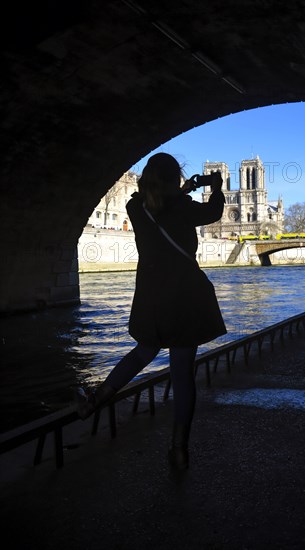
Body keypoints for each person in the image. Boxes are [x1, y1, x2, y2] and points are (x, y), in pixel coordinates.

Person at [75, 153, 227, 470]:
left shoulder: (135, 207)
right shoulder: (184, 208)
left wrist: (184, 189)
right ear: (175, 178)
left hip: (151, 296)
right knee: (183, 375)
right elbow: (213, 212)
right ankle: (179, 449)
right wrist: (215, 187)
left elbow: (157, 200)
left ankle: (96, 401)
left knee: (142, 352)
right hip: (185, 296)